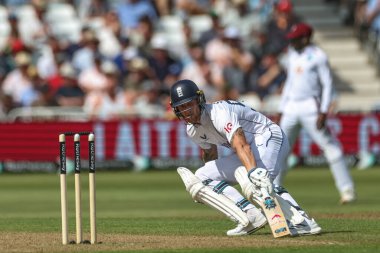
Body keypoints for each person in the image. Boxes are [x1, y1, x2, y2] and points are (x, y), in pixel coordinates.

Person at [170, 79, 322, 236]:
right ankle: (252, 216)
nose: (186, 110)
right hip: (245, 149)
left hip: (268, 137)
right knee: (201, 178)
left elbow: (240, 144)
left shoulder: (219, 113)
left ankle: (303, 222)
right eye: (181, 107)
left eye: (189, 104)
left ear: (199, 100)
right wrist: (208, 189)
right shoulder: (192, 130)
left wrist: (253, 171)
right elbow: (210, 154)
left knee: (258, 180)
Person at [275, 22, 356, 204]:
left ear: (305, 38)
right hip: (291, 108)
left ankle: (347, 190)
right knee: (280, 150)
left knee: (330, 147)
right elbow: (289, 83)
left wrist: (323, 111)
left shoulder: (319, 56)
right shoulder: (292, 54)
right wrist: (281, 109)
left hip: (310, 107)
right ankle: (274, 191)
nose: (292, 43)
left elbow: (327, 84)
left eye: (295, 39)